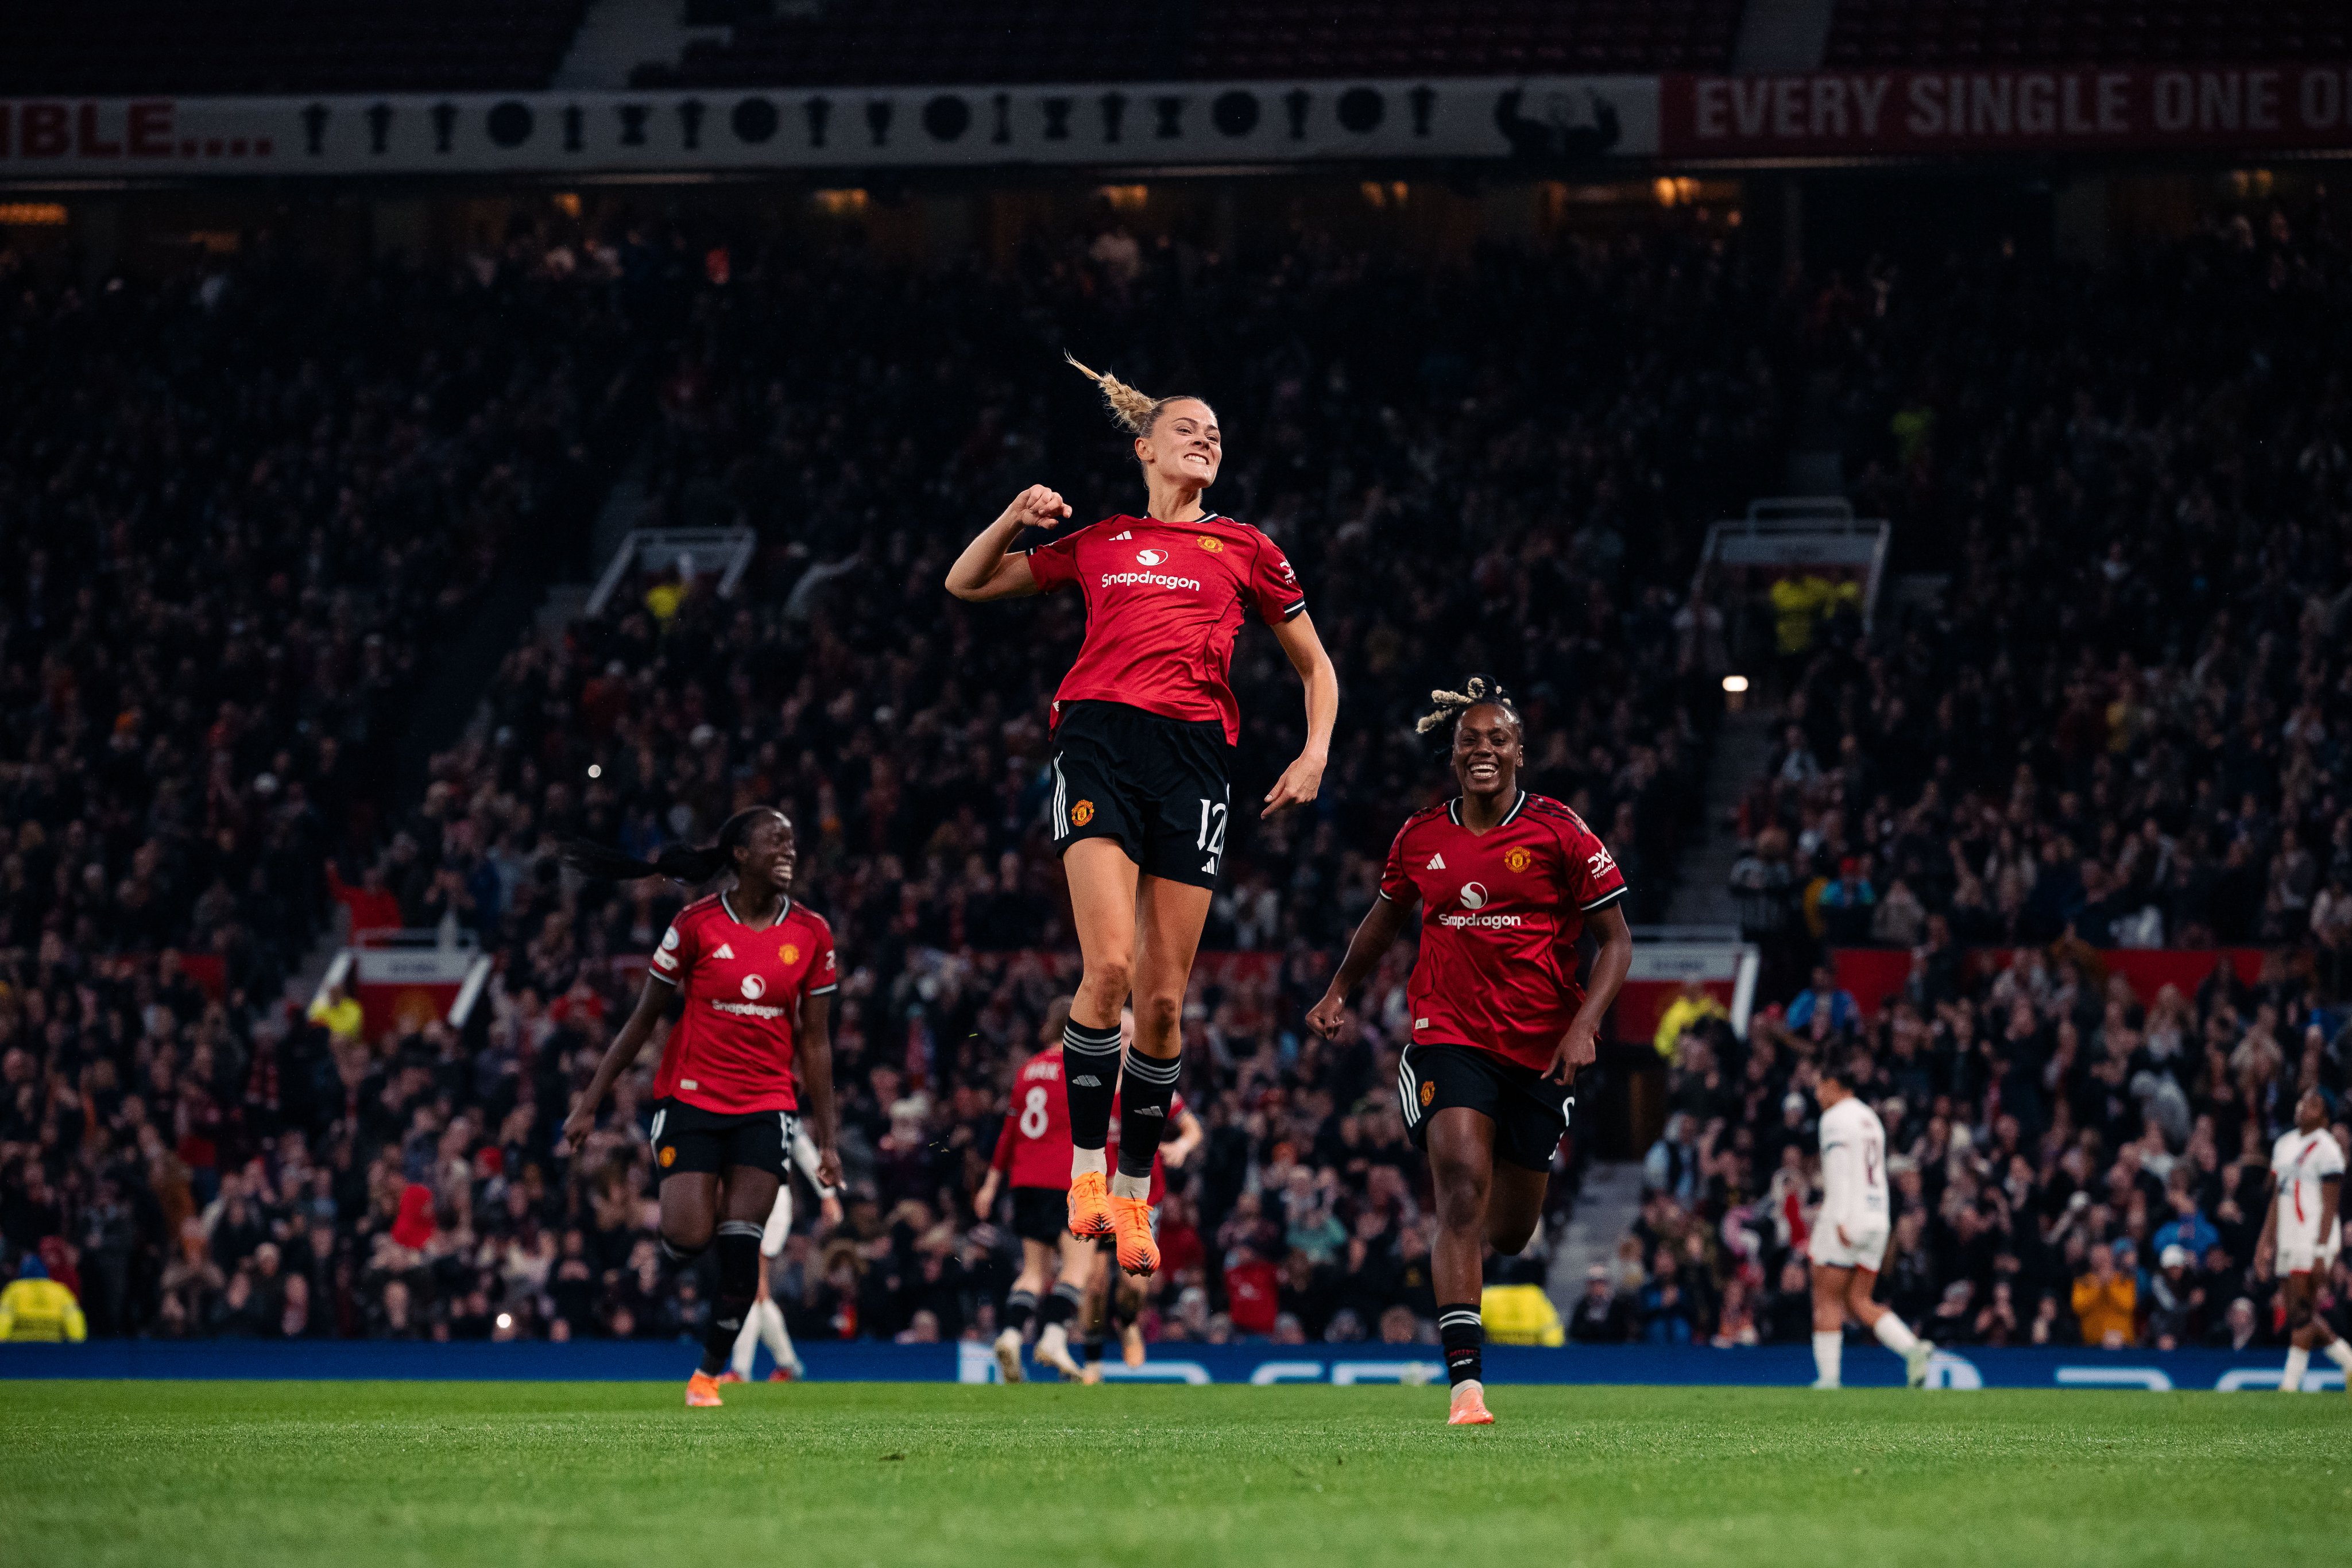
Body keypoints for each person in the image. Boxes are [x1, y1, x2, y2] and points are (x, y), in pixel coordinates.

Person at [945, 355, 1338, 1279]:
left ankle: (1132, 1192)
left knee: (1164, 1003)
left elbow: (1316, 666)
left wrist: (1314, 750)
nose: (1207, 439)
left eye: (1215, 433)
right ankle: (1086, 1174)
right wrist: (1011, 515)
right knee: (1110, 967)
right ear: (1146, 447)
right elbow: (966, 583)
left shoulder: (1247, 547)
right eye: (1189, 428)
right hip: (1099, 744)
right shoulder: (1100, 541)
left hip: (1198, 760)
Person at [1308, 676, 1633, 1425]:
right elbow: (1384, 921)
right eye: (1470, 740)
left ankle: (1467, 1247)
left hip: (1541, 1049)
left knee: (1511, 1227)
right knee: (1458, 1180)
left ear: (1519, 752)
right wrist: (1339, 991)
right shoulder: (1421, 836)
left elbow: (1616, 938)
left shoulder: (1561, 832)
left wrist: (1585, 1022)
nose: (1482, 749)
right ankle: (1466, 1386)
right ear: (1453, 755)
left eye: (1497, 739)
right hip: (1448, 1033)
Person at [560, 807, 842, 1408]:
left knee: (743, 1245)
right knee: (688, 1236)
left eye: (793, 842)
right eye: (776, 842)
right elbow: (643, 1019)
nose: (789, 852)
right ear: (740, 853)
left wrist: (830, 1140)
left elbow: (815, 1043)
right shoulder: (695, 924)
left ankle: (707, 1376)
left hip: (767, 1104)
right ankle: (685, 1229)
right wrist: (589, 1103)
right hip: (691, 1097)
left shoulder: (813, 933)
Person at [973, 997, 1098, 1381]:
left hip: (1024, 1180)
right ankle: (1055, 1336)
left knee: (1033, 1270)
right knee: (1080, 1266)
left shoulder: (1028, 1070)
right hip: (1067, 1180)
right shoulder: (1082, 1069)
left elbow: (1009, 1132)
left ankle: (1011, 1335)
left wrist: (990, 1185)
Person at [1808, 1064, 1933, 1388]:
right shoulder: (1870, 1118)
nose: (1817, 1095)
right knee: (1859, 1300)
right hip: (1878, 1217)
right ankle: (1913, 1349)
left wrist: (1839, 1219)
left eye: (1820, 1087)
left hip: (1848, 1215)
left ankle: (1829, 1380)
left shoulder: (1834, 1119)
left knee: (1826, 1296)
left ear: (1834, 1084)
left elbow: (1838, 1173)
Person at [724, 1109, 842, 1383]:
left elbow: (806, 1154)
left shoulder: (779, 1113)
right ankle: (788, 1365)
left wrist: (828, 1196)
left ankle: (742, 1370)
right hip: (746, 1199)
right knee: (757, 1290)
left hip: (771, 1201)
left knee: (749, 1286)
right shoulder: (741, 1106)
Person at [2254, 1088, 2352, 1395]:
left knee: (2300, 1310)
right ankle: (2349, 1361)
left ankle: (2289, 1386)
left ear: (2324, 1115)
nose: (2303, 1107)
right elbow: (2277, 1197)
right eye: (2302, 1101)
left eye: (2313, 1104)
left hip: (2312, 1237)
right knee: (2300, 1313)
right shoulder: (2284, 1144)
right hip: (2287, 1235)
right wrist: (2264, 1243)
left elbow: (2331, 1204)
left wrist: (2323, 1251)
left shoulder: (2328, 1149)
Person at [0, 1253, 86, 1342]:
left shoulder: (14, 1290)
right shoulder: (60, 1291)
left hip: (19, 1350)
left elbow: (4, 1318)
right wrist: (77, 1343)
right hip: (53, 1350)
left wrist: (2, 1343)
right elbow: (73, 1318)